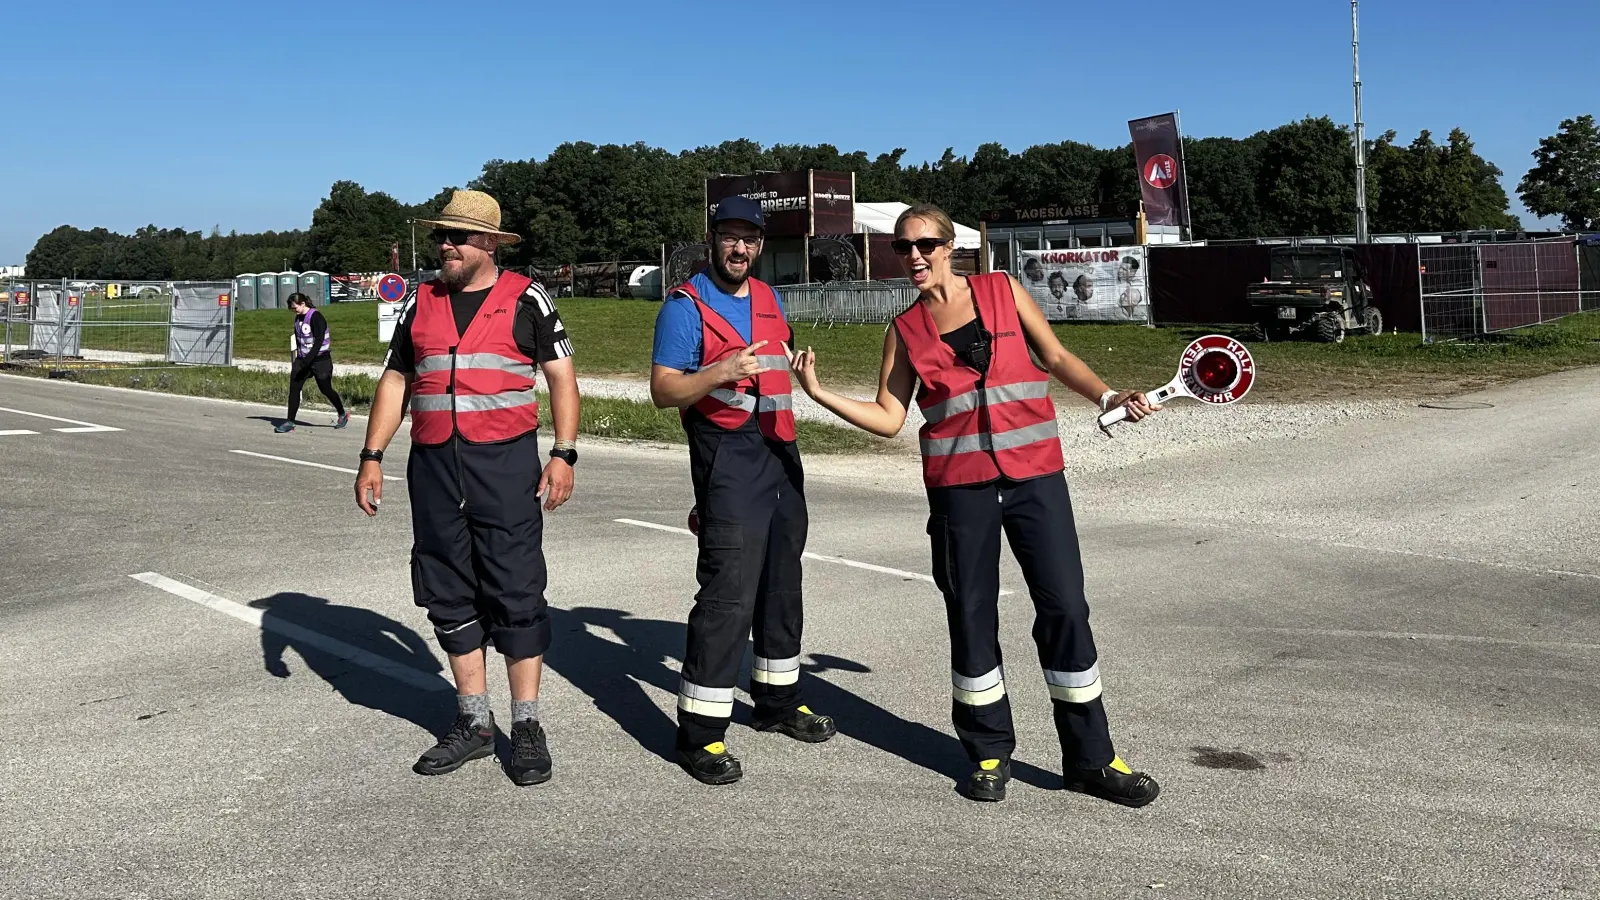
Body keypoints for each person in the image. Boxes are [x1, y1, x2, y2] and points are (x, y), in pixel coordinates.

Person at [790, 203, 1162, 807]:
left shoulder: (1002, 290)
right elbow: (888, 417)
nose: (913, 256)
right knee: (971, 614)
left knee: (1066, 608)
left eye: (924, 244)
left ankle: (1092, 759)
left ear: (949, 246)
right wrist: (818, 392)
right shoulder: (904, 331)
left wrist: (1108, 396)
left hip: (1035, 478)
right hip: (960, 490)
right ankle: (988, 752)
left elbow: (1056, 357)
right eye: (901, 247)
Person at [352, 190, 580, 787]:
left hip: (504, 465)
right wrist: (372, 455)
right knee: (446, 587)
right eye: (440, 236)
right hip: (433, 466)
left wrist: (563, 453)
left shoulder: (526, 297)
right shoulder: (420, 301)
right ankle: (474, 723)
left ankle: (525, 725)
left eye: (456, 236)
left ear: (490, 244)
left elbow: (562, 377)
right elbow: (396, 380)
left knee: (516, 588)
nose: (445, 246)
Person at [648, 195, 837, 786]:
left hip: (780, 452)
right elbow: (663, 391)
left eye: (750, 239)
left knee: (782, 581)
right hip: (727, 454)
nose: (740, 248)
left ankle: (777, 702)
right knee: (728, 592)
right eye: (730, 237)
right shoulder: (684, 306)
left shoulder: (768, 297)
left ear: (760, 245)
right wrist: (720, 372)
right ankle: (700, 734)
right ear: (712, 241)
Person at [277, 292, 349, 432]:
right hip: (303, 360)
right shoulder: (298, 317)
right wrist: (300, 359)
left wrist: (308, 360)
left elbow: (319, 341)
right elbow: (299, 339)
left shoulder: (316, 317)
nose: (293, 310)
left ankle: (342, 413)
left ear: (303, 304)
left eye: (295, 307)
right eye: (291, 308)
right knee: (294, 389)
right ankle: (290, 421)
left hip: (320, 360)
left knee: (325, 389)